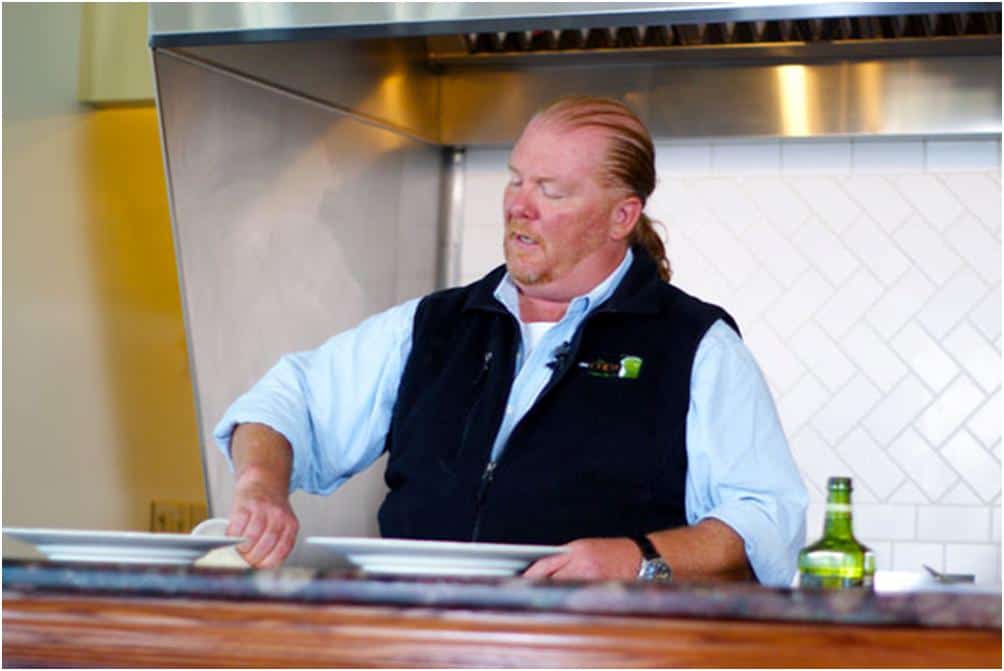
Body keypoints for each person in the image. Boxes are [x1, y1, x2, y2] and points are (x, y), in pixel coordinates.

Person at [214, 96, 808, 585]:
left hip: (600, 653)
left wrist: (633, 558)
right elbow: (289, 401)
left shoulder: (696, 347)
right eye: (516, 179)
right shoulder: (435, 326)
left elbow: (766, 519)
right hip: (420, 647)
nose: (518, 206)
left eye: (551, 191)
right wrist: (261, 487)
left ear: (621, 216)